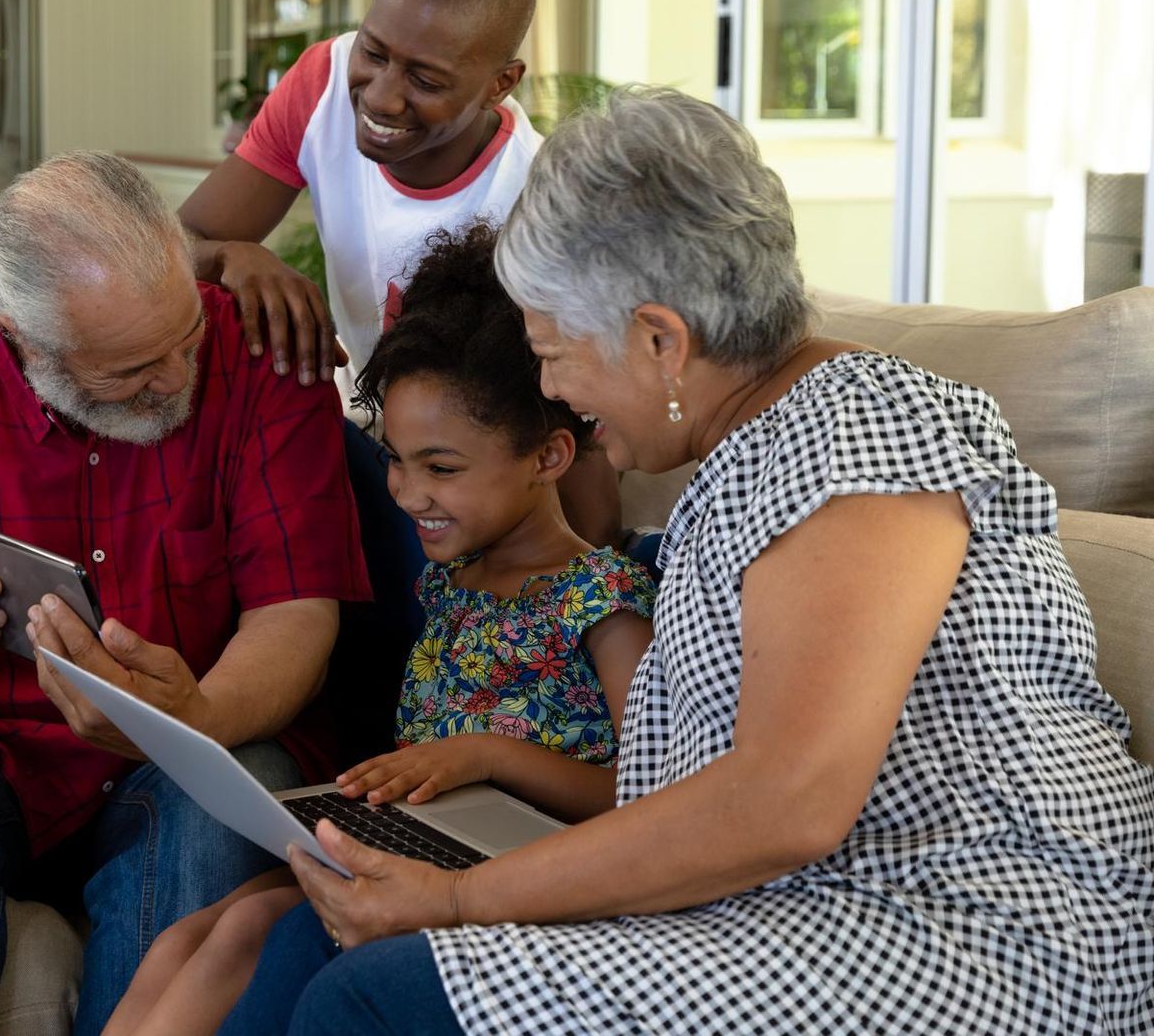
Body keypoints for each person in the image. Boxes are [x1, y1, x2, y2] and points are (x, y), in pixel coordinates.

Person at [221, 87, 1154, 1035]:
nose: (551, 391)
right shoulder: (749, 449)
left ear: (662, 340)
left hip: (972, 930)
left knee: (371, 995)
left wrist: (463, 900)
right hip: (800, 901)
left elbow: (787, 802)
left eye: (553, 353)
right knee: (319, 935)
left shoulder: (861, 433)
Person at [0, 151, 371, 1036]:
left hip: (194, 747)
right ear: (19, 332)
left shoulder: (262, 359)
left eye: (185, 339)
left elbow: (299, 611)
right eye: (128, 369)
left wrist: (193, 718)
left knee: (232, 790)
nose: (175, 380)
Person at [105, 222, 655, 1036]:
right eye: (396, 459)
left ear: (549, 456)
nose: (406, 492)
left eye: (442, 468)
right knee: (203, 931)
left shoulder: (603, 599)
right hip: (421, 843)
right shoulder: (447, 584)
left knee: (268, 932)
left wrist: (486, 756)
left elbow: (646, 800)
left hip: (527, 876)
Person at [180, 0, 616, 630]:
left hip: (472, 491)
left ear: (501, 84)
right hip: (368, 447)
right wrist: (234, 255)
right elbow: (176, 245)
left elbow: (579, 438)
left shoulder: (538, 201)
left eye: (425, 79)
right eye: (374, 52)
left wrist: (586, 608)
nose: (380, 96)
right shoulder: (323, 84)